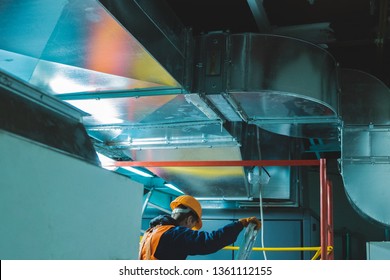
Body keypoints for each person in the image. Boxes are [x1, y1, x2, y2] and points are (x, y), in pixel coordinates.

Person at [139, 194, 261, 260]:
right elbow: (210, 241)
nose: (191, 230)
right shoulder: (175, 234)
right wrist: (240, 224)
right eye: (192, 226)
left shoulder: (152, 232)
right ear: (190, 219)